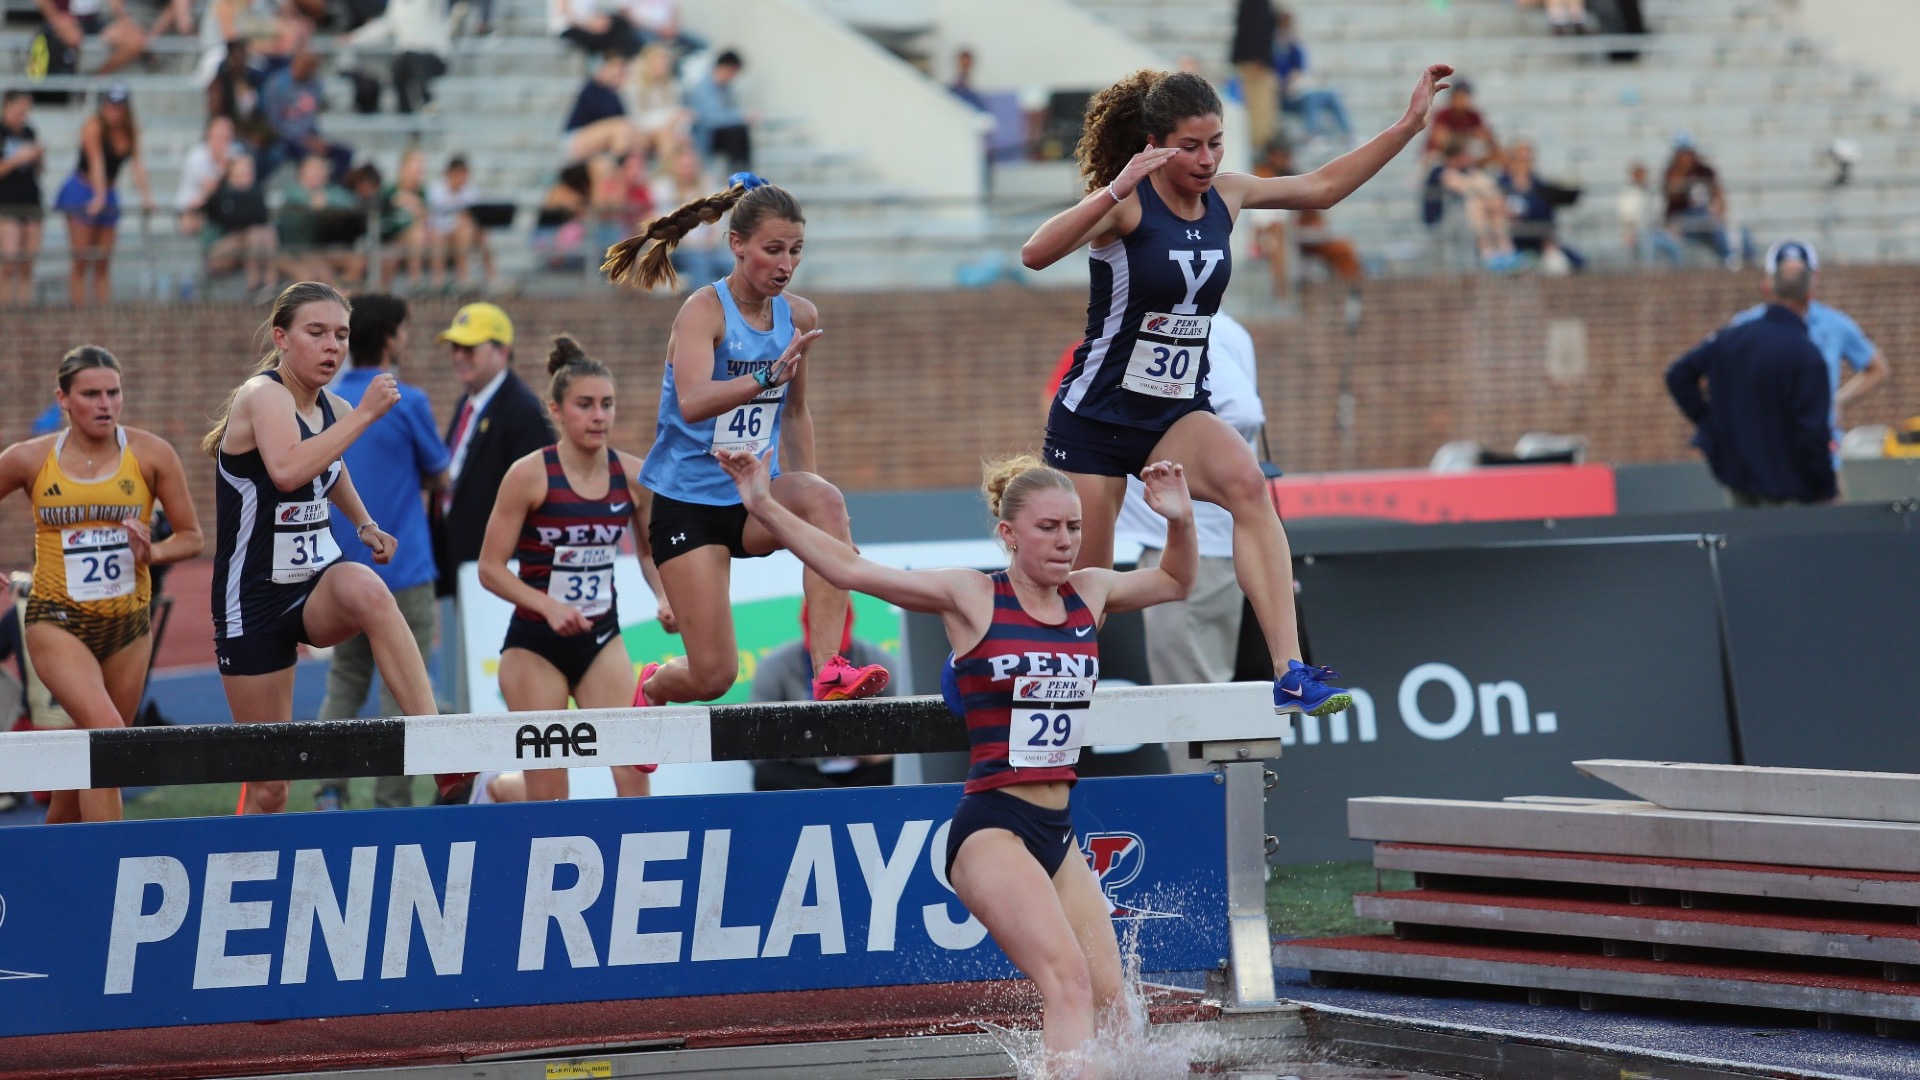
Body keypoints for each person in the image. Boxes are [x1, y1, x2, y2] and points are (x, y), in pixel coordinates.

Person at [715, 447, 1195, 1069]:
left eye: (1073, 527)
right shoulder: (971, 596)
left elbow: (1178, 581)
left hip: (1058, 831)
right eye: (1048, 527)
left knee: (1112, 999)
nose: (1066, 541)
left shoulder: (1091, 593)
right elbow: (851, 569)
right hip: (992, 826)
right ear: (1008, 534)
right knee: (1068, 981)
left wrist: (1179, 520)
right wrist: (761, 503)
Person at [1019, 66, 1453, 716]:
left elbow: (1324, 188)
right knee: (1088, 589)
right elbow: (1034, 254)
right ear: (1156, 144)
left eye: (1216, 143)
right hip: (1094, 419)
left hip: (1171, 415)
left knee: (1249, 487)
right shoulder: (1128, 206)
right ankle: (1041, 690)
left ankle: (1292, 670)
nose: (1206, 159)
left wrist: (1407, 126)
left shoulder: (1228, 195)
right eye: (1190, 146)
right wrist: (1115, 188)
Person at [601, 173, 889, 706]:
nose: (786, 264)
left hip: (755, 497)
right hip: (688, 506)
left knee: (825, 501)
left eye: (796, 251)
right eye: (773, 249)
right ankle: (654, 684)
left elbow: (796, 412)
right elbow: (691, 401)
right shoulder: (703, 312)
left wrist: (816, 509)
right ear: (737, 246)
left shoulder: (799, 316)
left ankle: (829, 669)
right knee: (714, 678)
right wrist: (763, 378)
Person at [204, 282, 438, 815]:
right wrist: (364, 417)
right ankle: (241, 874)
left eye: (341, 335)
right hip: (255, 603)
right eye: (317, 333)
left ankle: (433, 739)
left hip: (314, 581)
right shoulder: (263, 396)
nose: (332, 346)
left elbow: (330, 468)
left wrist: (363, 522)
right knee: (271, 787)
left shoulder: (332, 404)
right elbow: (287, 471)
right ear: (281, 338)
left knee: (371, 592)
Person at [0, 345, 205, 823]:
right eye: (90, 394)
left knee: (85, 767)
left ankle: (46, 869)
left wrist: (151, 552)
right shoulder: (31, 459)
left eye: (113, 393)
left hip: (129, 628)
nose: (105, 404)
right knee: (109, 738)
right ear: (64, 399)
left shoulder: (152, 454)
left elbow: (192, 537)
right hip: (57, 621)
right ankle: (110, 872)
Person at [465, 334, 656, 803]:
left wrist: (665, 597)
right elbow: (490, 569)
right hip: (535, 646)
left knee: (634, 774)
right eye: (585, 405)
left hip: (600, 637)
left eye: (607, 405)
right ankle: (495, 789)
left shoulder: (633, 476)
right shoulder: (529, 475)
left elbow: (651, 554)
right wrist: (547, 606)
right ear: (555, 410)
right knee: (551, 796)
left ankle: (638, 873)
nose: (598, 416)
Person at [310, 293, 448, 811]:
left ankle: (329, 788)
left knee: (345, 678)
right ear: (390, 338)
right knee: (403, 685)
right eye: (405, 331)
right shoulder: (403, 399)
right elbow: (440, 469)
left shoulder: (325, 401)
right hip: (403, 564)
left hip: (340, 568)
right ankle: (392, 800)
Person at [1108, 313, 1263, 768]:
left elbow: (1243, 412)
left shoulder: (1183, 324)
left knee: (1193, 712)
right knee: (1202, 707)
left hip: (1190, 550)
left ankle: (1214, 829)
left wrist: (1164, 451)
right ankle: (1223, 822)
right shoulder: (1222, 326)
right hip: (1197, 544)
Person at [1664, 258, 1835, 507]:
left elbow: (1678, 375)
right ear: (1809, 296)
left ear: (1768, 290)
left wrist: (1710, 422)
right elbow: (1813, 433)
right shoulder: (1806, 354)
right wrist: (1826, 489)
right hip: (1791, 488)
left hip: (1738, 476)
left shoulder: (1731, 338)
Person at [431, 301, 555, 597]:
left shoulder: (522, 411)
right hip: (464, 561)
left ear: (502, 352)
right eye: (455, 348)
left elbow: (537, 494)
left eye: (469, 348)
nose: (459, 356)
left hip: (500, 568)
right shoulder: (471, 400)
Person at [1727, 241, 1892, 464]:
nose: (1793, 283)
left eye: (1799, 274)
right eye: (1785, 275)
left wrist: (1838, 400)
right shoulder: (1746, 325)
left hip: (1817, 450)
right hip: (1764, 453)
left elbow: (1877, 368)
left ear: (1815, 276)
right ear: (1769, 279)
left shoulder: (1834, 324)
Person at [749, 603, 898, 791]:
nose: (831, 655)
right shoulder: (774, 666)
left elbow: (901, 731)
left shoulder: (878, 661)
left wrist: (875, 751)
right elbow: (756, 743)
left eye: (839, 652)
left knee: (897, 768)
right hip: (806, 771)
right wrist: (810, 744)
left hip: (864, 769)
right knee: (768, 775)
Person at [52, 84, 152, 307]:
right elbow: (96, 162)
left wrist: (147, 197)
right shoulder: (93, 126)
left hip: (108, 190)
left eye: (119, 107)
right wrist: (98, 197)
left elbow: (138, 166)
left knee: (102, 262)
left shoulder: (130, 131)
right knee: (81, 259)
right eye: (111, 106)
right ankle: (79, 311)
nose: (114, 111)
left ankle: (103, 313)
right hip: (82, 189)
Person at [1662, 136, 1752, 269]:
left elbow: (1719, 194)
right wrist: (1682, 172)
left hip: (1706, 217)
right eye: (1681, 153)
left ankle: (1735, 261)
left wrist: (1721, 210)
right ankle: (1729, 259)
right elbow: (1671, 196)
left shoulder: (1705, 171)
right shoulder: (1671, 172)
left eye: (1687, 152)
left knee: (1732, 230)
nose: (1685, 156)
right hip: (1683, 218)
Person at [347, 0, 451, 115]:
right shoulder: (397, 4)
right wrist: (353, 38)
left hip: (433, 58)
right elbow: (384, 27)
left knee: (413, 56)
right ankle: (407, 116)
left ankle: (428, 101)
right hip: (408, 60)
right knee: (398, 68)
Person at [1498, 138, 1583, 272]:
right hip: (1510, 245)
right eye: (1520, 159)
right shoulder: (1500, 185)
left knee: (1562, 264)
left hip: (1540, 244)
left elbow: (1547, 219)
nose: (1525, 163)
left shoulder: (1540, 187)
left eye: (1528, 158)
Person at [201, 152, 277, 294]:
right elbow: (226, 220)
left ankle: (261, 284)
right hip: (220, 249)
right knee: (257, 234)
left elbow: (260, 217)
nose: (244, 177)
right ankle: (262, 283)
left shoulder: (257, 194)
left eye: (247, 173)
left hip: (249, 245)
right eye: (239, 173)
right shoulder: (221, 195)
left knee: (261, 234)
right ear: (230, 175)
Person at [0, 90, 45, 308]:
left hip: (31, 200)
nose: (23, 114)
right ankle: (6, 311)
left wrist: (38, 158)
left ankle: (25, 311)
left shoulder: (29, 132)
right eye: (19, 108)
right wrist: (18, 158)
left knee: (28, 263)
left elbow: (37, 171)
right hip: (7, 203)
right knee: (10, 262)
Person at [425, 155, 493, 292]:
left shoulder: (470, 190)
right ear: (451, 173)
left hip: (461, 234)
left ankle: (491, 277)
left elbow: (474, 217)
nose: (463, 179)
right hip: (439, 233)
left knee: (478, 233)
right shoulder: (436, 190)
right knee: (444, 234)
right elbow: (434, 220)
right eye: (460, 174)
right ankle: (440, 280)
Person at [33, 0, 147, 76]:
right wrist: (57, 20)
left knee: (136, 40)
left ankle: (96, 78)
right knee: (73, 38)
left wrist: (124, 20)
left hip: (93, 20)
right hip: (64, 18)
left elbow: (115, 4)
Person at [685, 50, 752, 172]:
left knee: (741, 129)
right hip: (706, 135)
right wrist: (740, 117)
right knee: (737, 129)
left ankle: (742, 169)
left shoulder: (726, 89)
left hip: (721, 134)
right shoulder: (702, 88)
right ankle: (737, 170)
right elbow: (711, 118)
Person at [565, 55, 641, 163]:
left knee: (634, 135)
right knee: (620, 127)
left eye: (622, 74)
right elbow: (605, 115)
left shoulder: (613, 94)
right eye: (618, 73)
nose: (620, 77)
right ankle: (619, 170)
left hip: (601, 141)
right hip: (575, 138)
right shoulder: (592, 88)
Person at [1229, 0, 1278, 159]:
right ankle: (1258, 149)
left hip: (1254, 61)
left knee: (1259, 108)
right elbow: (1256, 28)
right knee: (1258, 109)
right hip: (1255, 63)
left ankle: (1258, 147)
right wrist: (1259, 58)